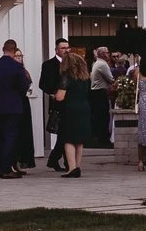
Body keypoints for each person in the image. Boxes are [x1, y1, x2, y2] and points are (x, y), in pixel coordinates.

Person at [0, 40, 35, 179]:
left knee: (0, 136)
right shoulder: (17, 67)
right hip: (13, 106)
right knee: (10, 136)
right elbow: (23, 86)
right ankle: (6, 169)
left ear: (3, 49)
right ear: (14, 50)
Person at [56, 47, 95, 179]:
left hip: (70, 109)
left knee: (69, 139)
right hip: (84, 108)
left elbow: (60, 97)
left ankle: (72, 168)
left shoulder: (66, 77)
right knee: (79, 140)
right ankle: (77, 166)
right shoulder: (85, 78)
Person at [40, 46, 69, 174]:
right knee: (63, 133)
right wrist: (52, 93)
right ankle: (59, 160)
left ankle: (57, 159)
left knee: (65, 134)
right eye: (63, 48)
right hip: (57, 103)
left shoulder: (71, 64)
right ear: (57, 50)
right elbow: (43, 83)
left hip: (70, 103)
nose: (66, 50)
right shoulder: (48, 65)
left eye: (68, 47)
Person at [88, 46, 115, 148]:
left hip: (96, 93)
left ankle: (101, 138)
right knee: (103, 116)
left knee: (100, 116)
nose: (109, 54)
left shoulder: (97, 63)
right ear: (103, 54)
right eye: (107, 53)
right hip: (100, 92)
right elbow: (110, 79)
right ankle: (103, 139)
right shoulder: (102, 64)